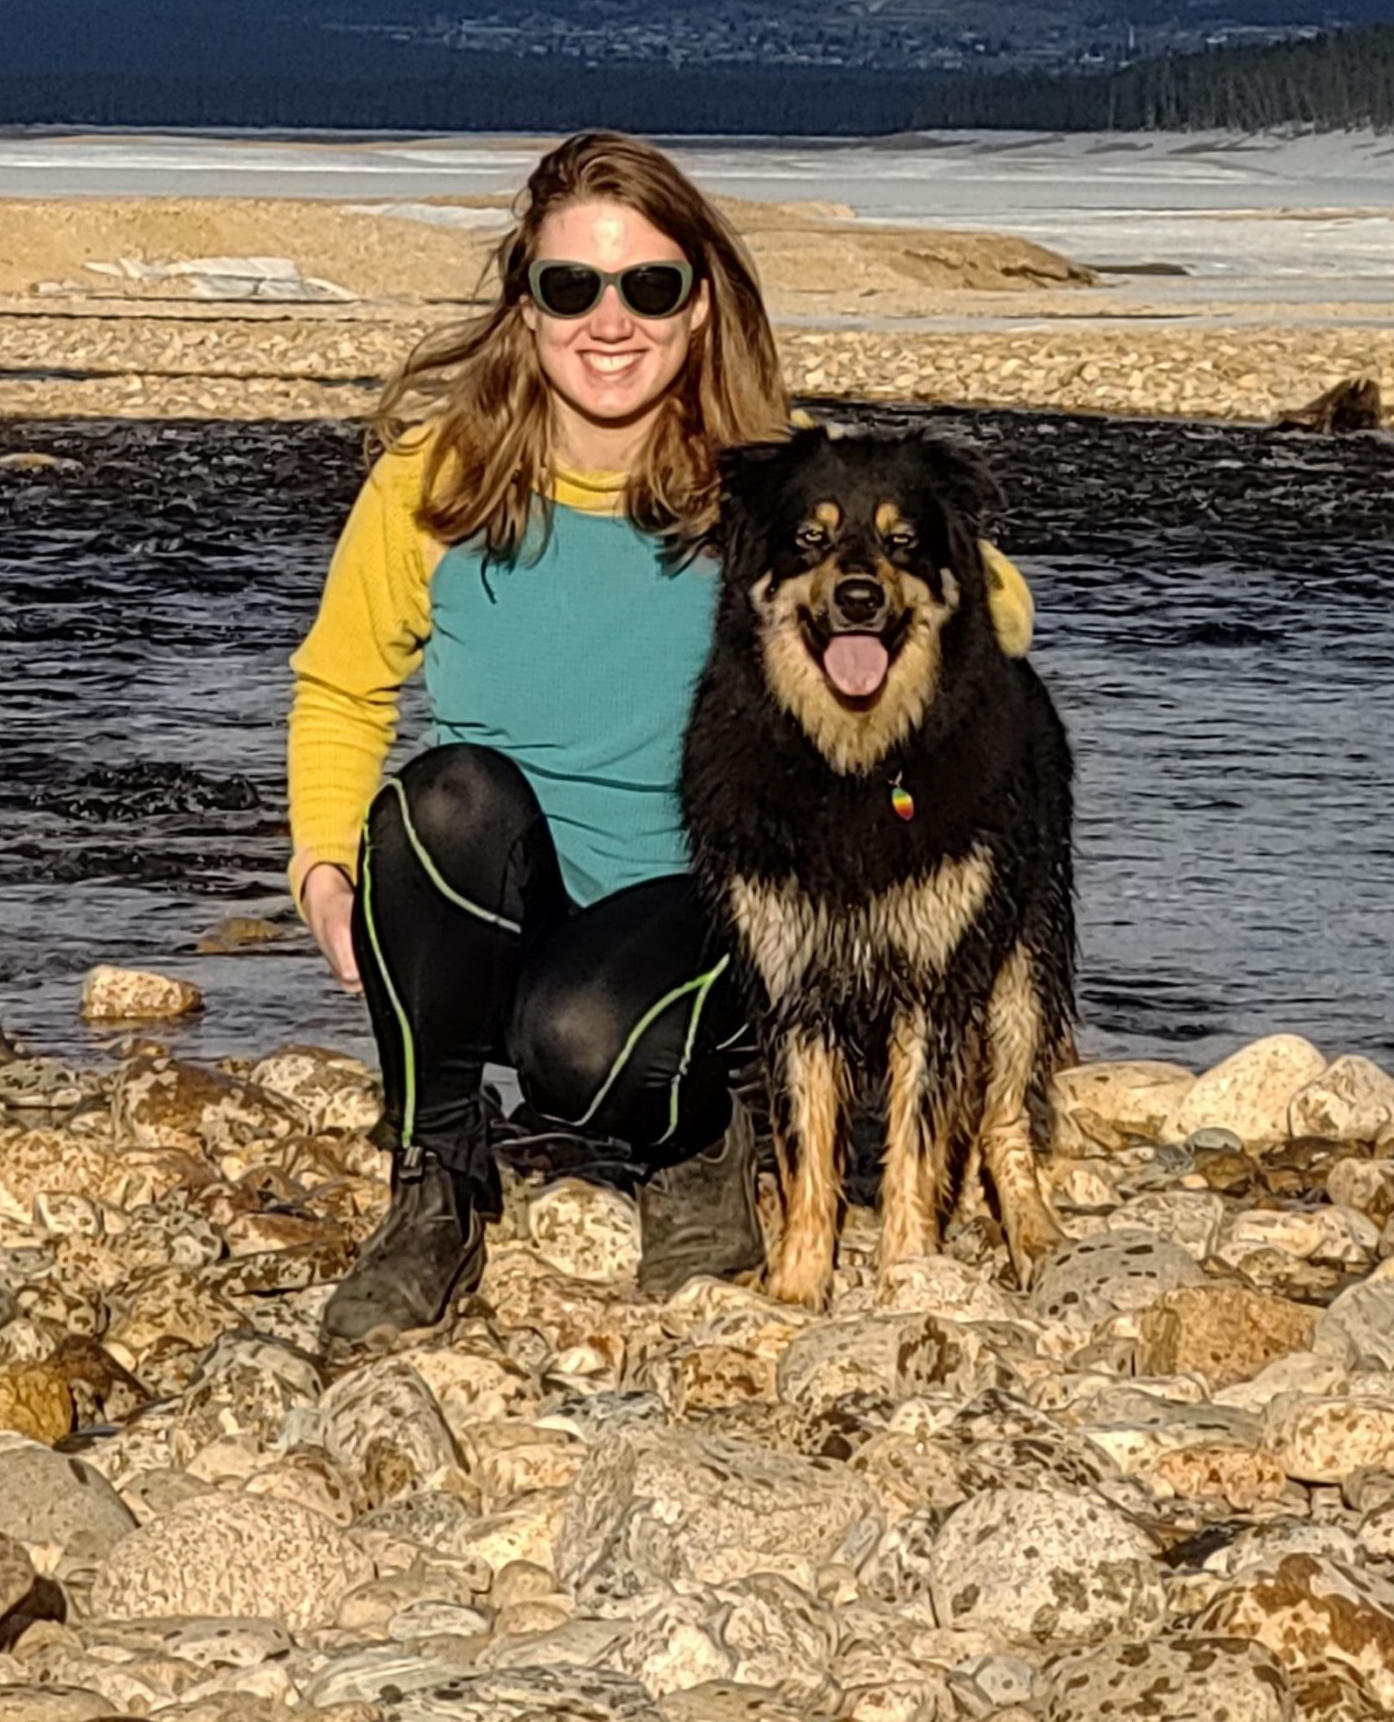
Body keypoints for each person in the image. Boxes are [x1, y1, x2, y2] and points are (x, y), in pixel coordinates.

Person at [286, 129, 1032, 1347]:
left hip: (711, 897)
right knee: (440, 802)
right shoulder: (440, 478)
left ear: (700, 308)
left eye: (650, 286)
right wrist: (323, 866)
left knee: (583, 1042)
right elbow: (342, 686)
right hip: (516, 893)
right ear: (524, 307)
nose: (608, 321)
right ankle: (434, 1186)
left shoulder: (768, 490)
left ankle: (705, 1138)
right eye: (569, 286)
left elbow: (987, 602)